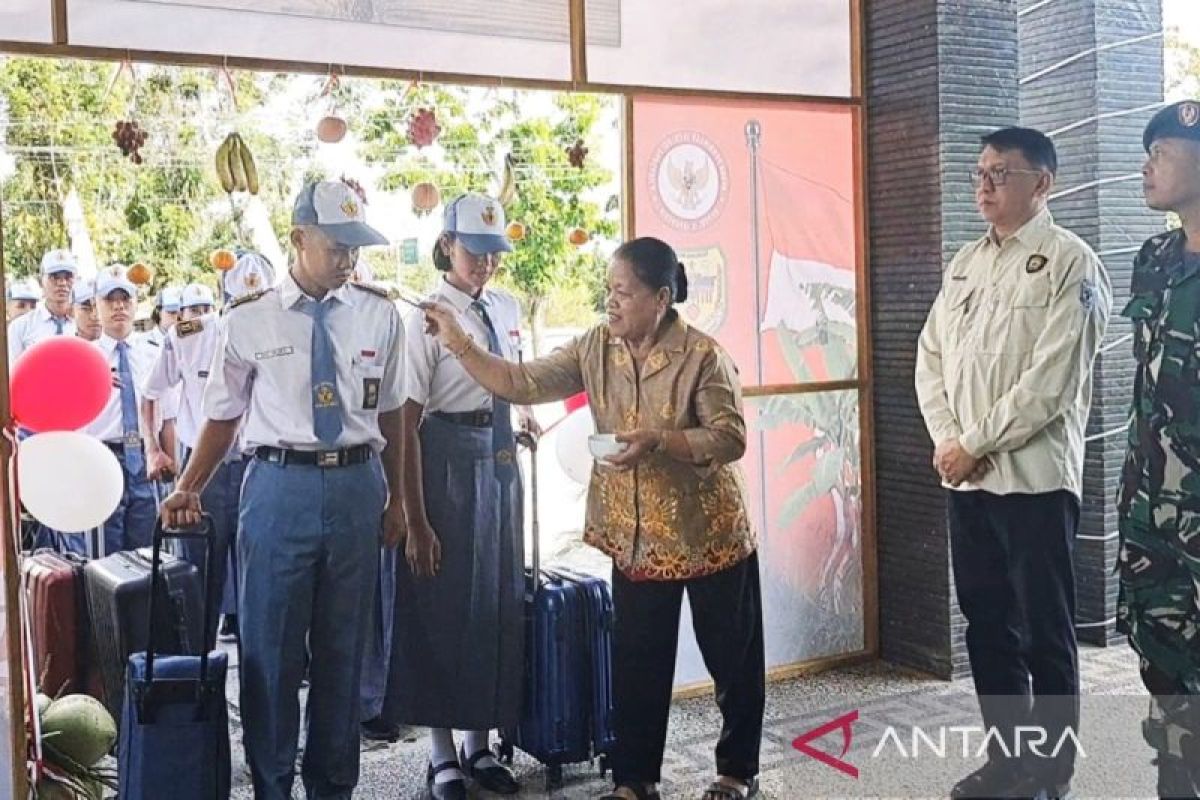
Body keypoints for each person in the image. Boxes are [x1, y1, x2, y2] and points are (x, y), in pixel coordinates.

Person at [421, 236, 764, 800]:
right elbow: (521, 381)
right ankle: (635, 781)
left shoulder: (702, 356)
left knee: (732, 659)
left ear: (660, 297)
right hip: (634, 537)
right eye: (608, 291)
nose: (611, 302)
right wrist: (458, 344)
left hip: (709, 534)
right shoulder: (595, 348)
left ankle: (735, 771)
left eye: (623, 293)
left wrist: (659, 439)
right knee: (636, 664)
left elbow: (730, 438)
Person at [161, 181, 405, 800]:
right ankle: (272, 786)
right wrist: (188, 487)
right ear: (299, 239)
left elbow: (397, 416)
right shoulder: (247, 319)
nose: (349, 258)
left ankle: (332, 788)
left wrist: (400, 499)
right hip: (276, 489)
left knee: (343, 651)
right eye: (336, 245)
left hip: (356, 487)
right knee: (270, 655)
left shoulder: (379, 313)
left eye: (356, 246)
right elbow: (221, 414)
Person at [915, 127, 1111, 800]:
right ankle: (1007, 762)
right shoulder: (967, 262)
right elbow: (930, 358)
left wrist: (978, 441)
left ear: (1042, 183)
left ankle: (1050, 774)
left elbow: (1051, 381)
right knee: (988, 628)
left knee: (1045, 633)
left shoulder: (1070, 263)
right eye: (980, 173)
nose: (986, 184)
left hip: (1032, 482)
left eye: (1001, 172)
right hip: (967, 482)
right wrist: (950, 440)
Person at [383, 193, 532, 798]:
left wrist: (519, 418)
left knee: (493, 606)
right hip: (443, 460)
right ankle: (441, 753)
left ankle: (479, 745)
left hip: (498, 461)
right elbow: (406, 423)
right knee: (440, 606)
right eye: (475, 252)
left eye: (494, 254)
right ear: (447, 245)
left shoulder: (506, 306)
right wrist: (415, 518)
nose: (485, 266)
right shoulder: (426, 316)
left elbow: (511, 379)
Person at [1117, 99, 1200, 797]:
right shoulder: (1155, 258)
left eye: (1163, 153)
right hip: (1154, 512)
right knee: (1164, 664)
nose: (1146, 167)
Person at [141, 279, 228, 650]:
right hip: (202, 468)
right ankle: (198, 670)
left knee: (264, 582)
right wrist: (152, 449)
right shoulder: (187, 337)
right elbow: (149, 392)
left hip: (258, 462)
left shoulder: (266, 328)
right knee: (200, 578)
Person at [67, 264, 178, 555]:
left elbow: (167, 418)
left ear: (136, 303)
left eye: (125, 299)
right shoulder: (82, 358)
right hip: (101, 459)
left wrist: (175, 476)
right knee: (102, 558)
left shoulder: (154, 353)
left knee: (148, 556)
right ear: (95, 307)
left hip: (145, 460)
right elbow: (70, 422)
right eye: (109, 300)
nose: (118, 307)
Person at [7, 248, 77, 362]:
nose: (62, 283)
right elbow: (13, 373)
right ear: (41, 281)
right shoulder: (21, 327)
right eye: (54, 277)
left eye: (68, 277)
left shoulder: (83, 326)